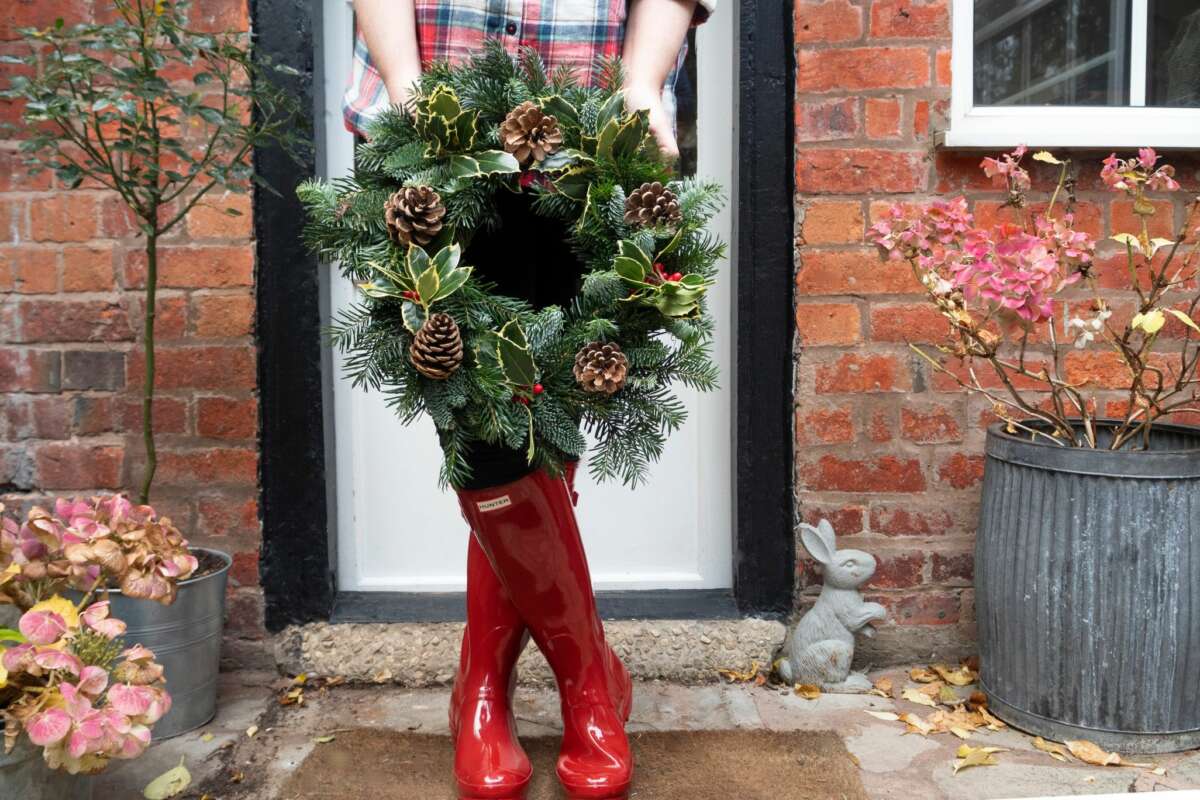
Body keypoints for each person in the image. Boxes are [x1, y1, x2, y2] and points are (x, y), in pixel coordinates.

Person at [345, 2, 714, 798]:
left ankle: (482, 684)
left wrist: (644, 79)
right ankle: (589, 682)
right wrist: (408, 84)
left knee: (549, 412)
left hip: (587, 134)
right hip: (435, 137)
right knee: (482, 425)